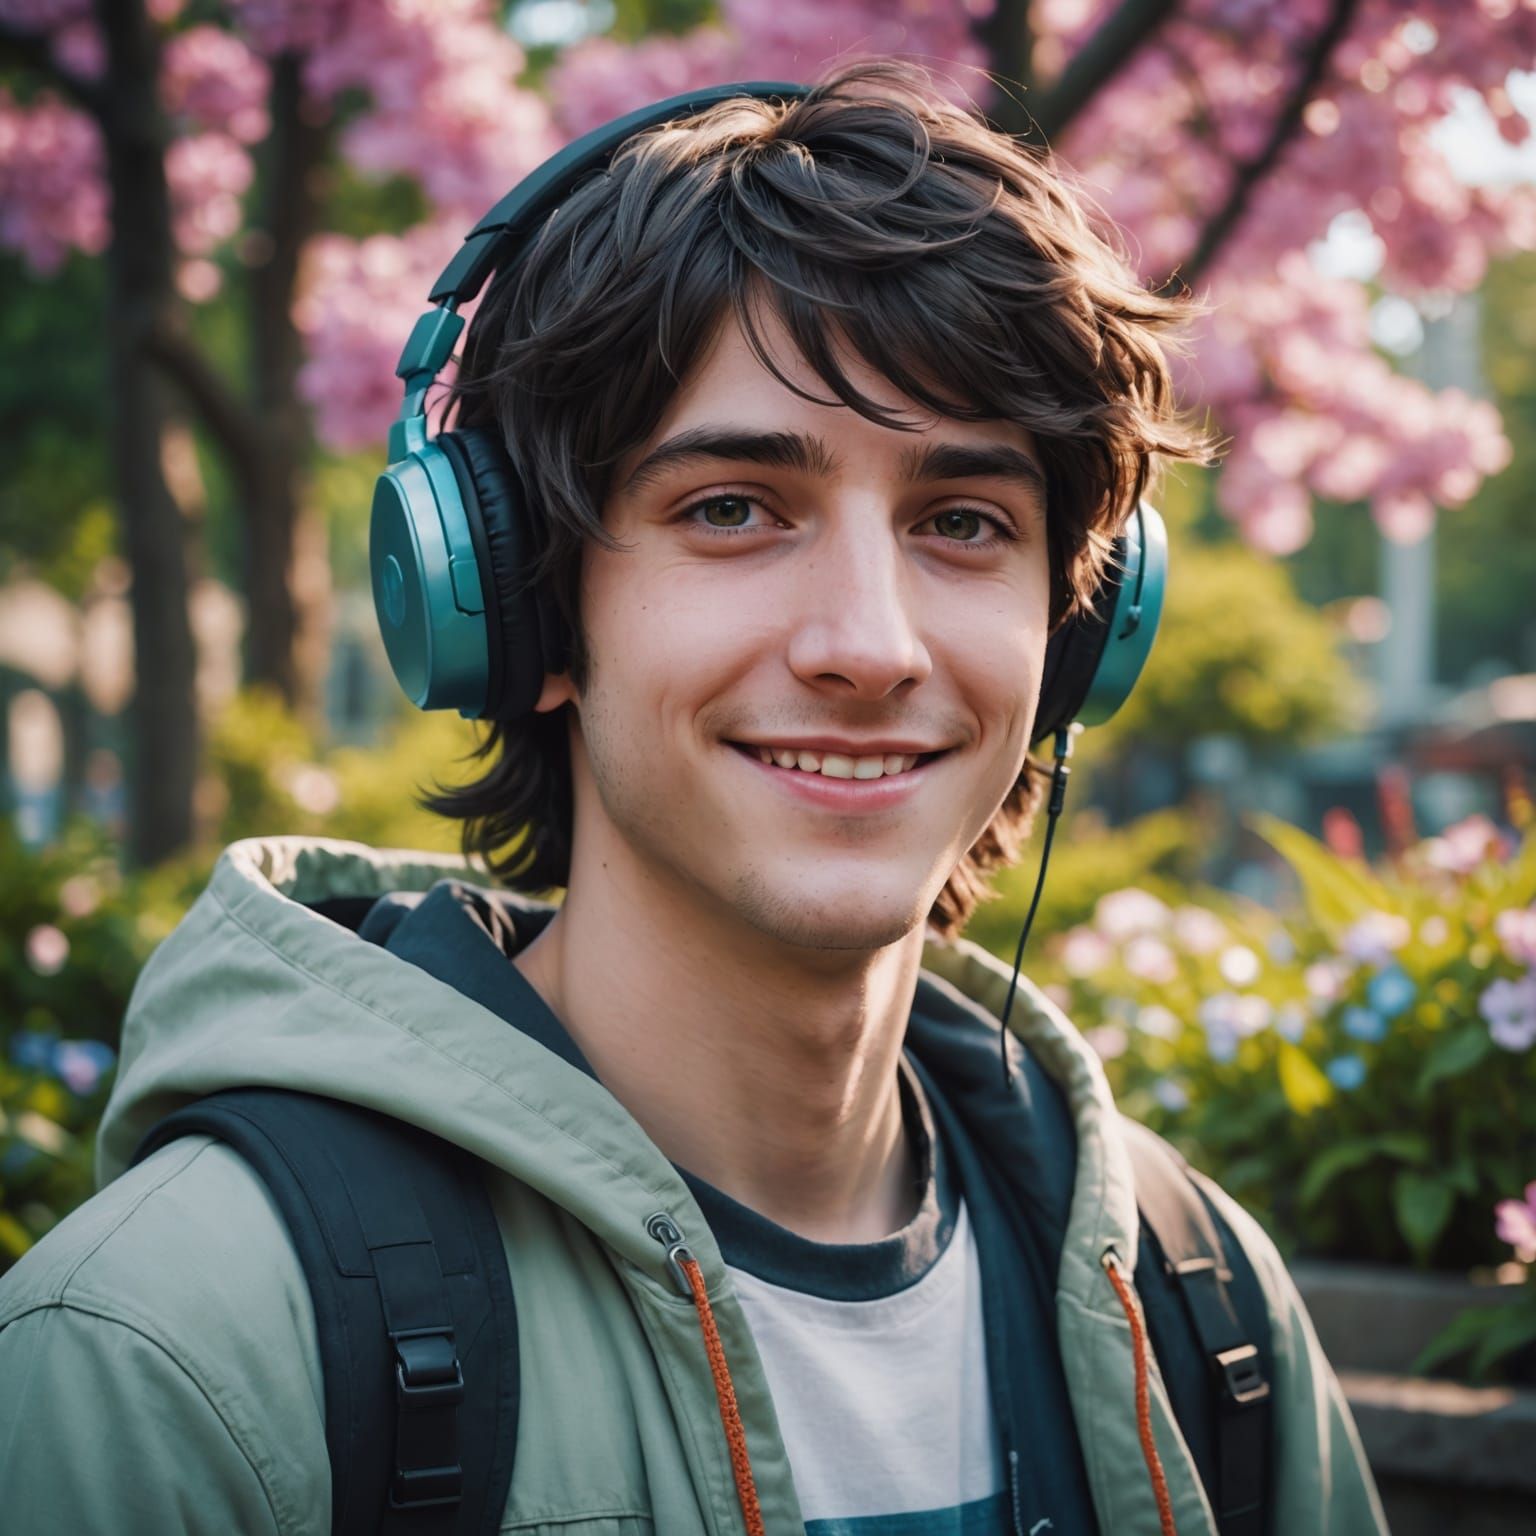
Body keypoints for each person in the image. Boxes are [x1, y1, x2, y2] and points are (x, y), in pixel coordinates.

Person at [0, 61, 1386, 1536]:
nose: (868, 644)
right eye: (733, 508)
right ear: (516, 608)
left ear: (1078, 639)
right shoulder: (173, 1357)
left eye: (964, 522)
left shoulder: (1200, 1308)